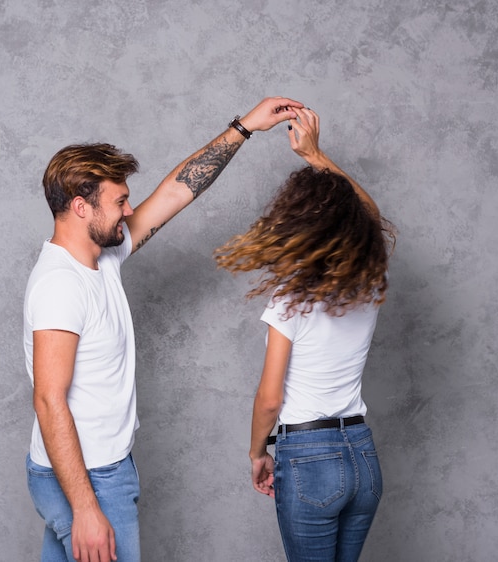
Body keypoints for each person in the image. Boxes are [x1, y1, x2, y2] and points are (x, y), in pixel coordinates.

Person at [23, 97, 304, 562]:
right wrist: (87, 509)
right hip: (87, 478)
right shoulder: (60, 284)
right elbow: (49, 400)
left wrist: (244, 127)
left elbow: (175, 193)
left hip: (93, 469)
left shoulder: (101, 256)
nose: (129, 208)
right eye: (119, 201)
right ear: (80, 207)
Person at [214, 107, 396, 561]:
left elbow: (270, 399)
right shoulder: (370, 284)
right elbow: (371, 216)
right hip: (362, 457)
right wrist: (316, 155)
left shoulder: (290, 297)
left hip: (311, 458)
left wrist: (258, 452)